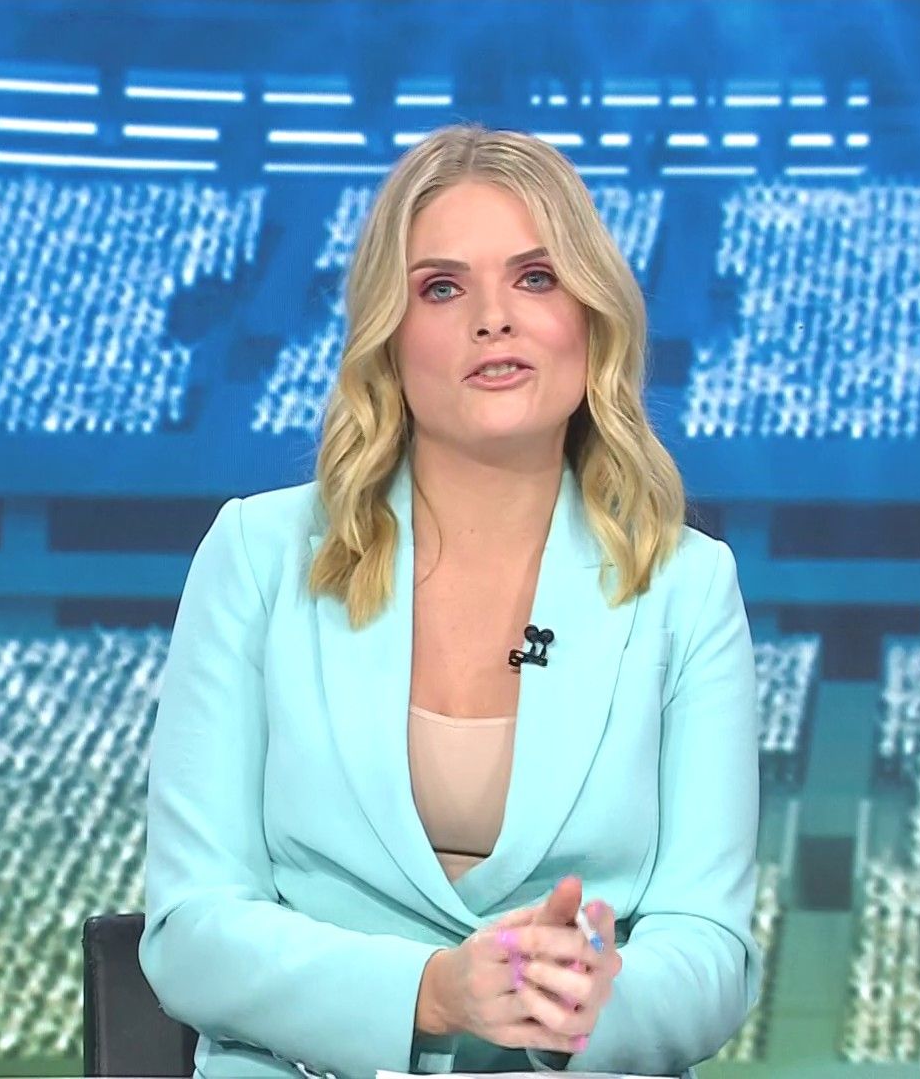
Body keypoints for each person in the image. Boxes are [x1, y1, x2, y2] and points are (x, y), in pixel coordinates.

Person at [141, 121, 762, 1079]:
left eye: (536, 278)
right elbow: (191, 929)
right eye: (442, 287)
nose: (492, 319)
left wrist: (582, 1003)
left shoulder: (686, 585)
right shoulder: (257, 556)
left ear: (591, 317)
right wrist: (433, 992)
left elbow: (710, 948)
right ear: (388, 338)